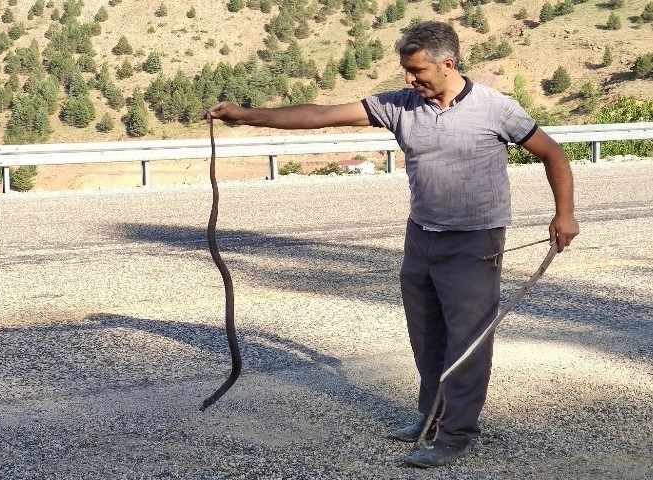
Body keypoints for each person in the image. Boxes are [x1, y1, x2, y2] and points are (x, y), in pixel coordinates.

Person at [205, 21, 579, 468]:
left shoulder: (496, 109)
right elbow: (322, 114)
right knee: (426, 335)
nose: (408, 79)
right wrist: (247, 115)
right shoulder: (399, 106)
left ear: (448, 64)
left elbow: (553, 153)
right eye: (405, 69)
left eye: (416, 70)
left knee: (467, 342)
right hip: (420, 235)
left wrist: (565, 213)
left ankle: (456, 433)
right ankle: (430, 416)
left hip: (475, 241)